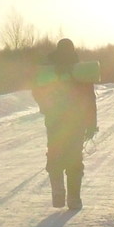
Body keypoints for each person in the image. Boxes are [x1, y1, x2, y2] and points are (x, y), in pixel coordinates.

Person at [30, 38, 98, 209]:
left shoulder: (48, 70)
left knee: (54, 152)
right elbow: (90, 98)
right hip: (76, 120)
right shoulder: (80, 70)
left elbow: (36, 90)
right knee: (74, 156)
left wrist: (45, 107)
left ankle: (58, 193)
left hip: (54, 120)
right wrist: (91, 124)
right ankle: (74, 199)